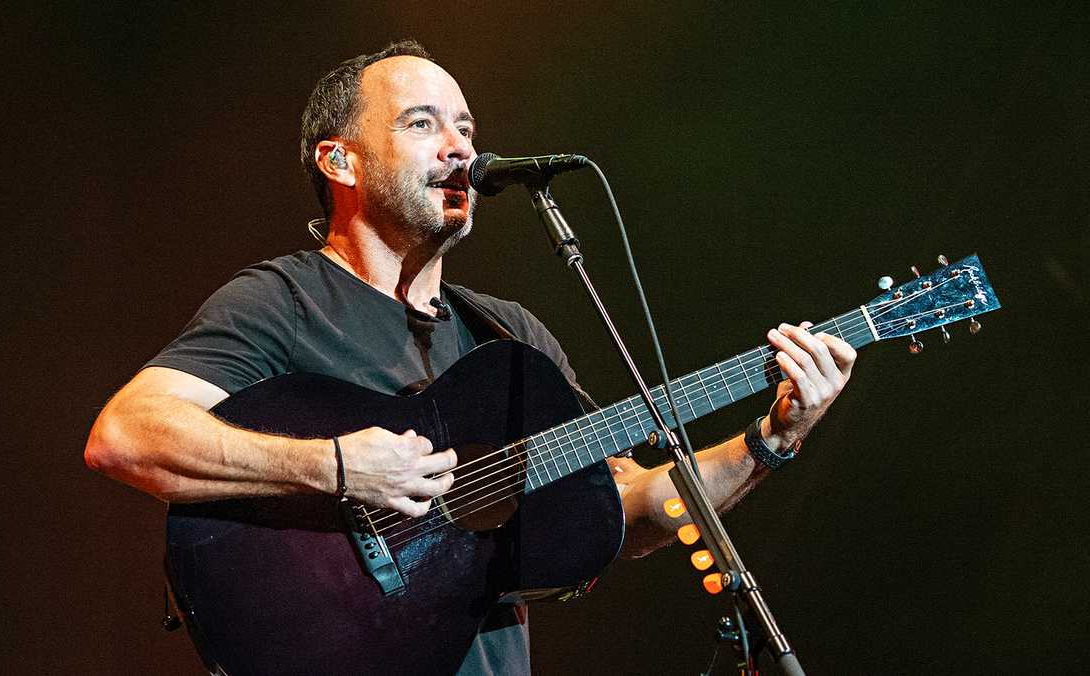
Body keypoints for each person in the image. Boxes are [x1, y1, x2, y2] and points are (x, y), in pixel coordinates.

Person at [84, 40, 856, 675]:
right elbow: (126, 435)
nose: (461, 148)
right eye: (423, 124)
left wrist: (772, 439)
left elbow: (634, 507)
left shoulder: (509, 335)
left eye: (466, 127)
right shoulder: (281, 301)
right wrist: (335, 468)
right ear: (340, 162)